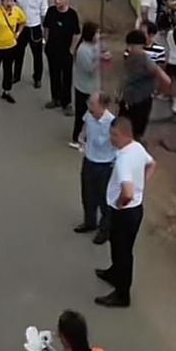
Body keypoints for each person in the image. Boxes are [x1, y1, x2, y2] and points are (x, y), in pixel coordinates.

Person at [94, 116, 155, 308]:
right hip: (134, 210)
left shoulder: (123, 160)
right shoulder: (137, 147)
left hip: (124, 213)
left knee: (123, 253)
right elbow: (152, 164)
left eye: (114, 135)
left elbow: (127, 192)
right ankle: (114, 273)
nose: (111, 139)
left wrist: (121, 202)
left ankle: (122, 294)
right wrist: (141, 186)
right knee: (117, 246)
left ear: (123, 134)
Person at [74, 92, 116, 244]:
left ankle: (105, 230)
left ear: (103, 106)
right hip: (89, 161)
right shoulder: (90, 115)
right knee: (87, 195)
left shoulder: (112, 123)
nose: (89, 106)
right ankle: (90, 222)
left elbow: (118, 145)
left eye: (92, 104)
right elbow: (84, 130)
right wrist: (81, 139)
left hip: (105, 165)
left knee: (104, 200)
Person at [119, 29, 171, 140]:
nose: (130, 48)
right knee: (123, 124)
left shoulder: (144, 59)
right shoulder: (130, 55)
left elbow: (163, 76)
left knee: (136, 127)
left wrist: (162, 88)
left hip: (141, 99)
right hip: (129, 97)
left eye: (132, 46)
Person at [43, 0, 80, 115]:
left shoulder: (72, 15)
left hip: (66, 52)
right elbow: (46, 28)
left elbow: (76, 34)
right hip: (52, 50)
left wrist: (72, 49)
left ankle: (67, 103)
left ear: (66, 0)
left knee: (67, 77)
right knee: (54, 75)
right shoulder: (51, 11)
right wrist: (46, 42)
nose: (57, 1)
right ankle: (55, 98)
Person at [14, 0, 48, 88]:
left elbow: (44, 14)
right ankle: (16, 75)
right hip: (21, 28)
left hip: (35, 28)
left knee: (37, 56)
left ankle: (37, 78)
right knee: (18, 53)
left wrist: (44, 33)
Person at [71, 22, 103, 147]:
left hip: (92, 87)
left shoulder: (95, 45)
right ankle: (76, 138)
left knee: (91, 114)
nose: (98, 35)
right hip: (84, 88)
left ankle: (86, 135)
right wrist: (100, 59)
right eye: (97, 33)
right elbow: (89, 69)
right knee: (82, 114)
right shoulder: (83, 50)